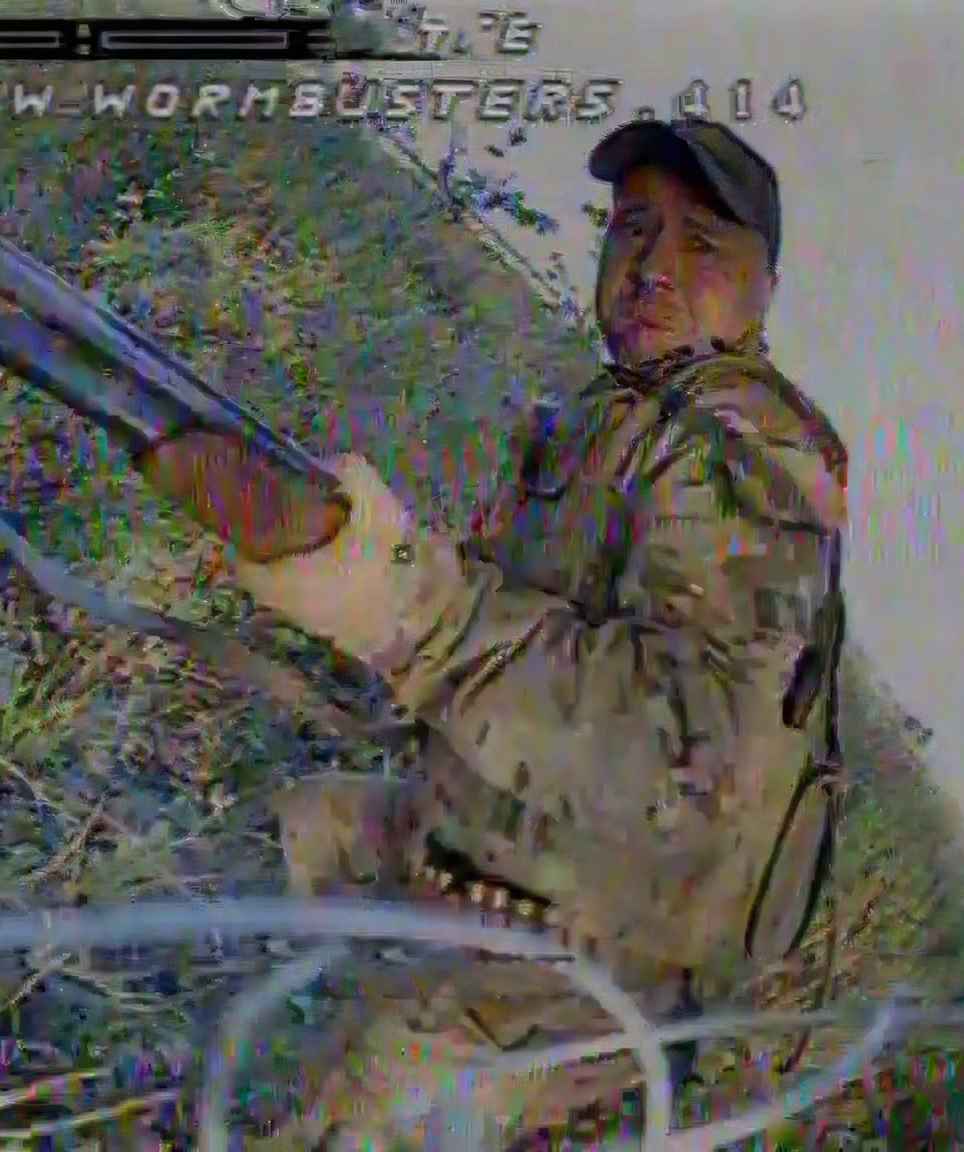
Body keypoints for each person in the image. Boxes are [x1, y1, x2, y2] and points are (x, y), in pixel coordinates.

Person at [134, 117, 850, 1147]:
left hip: (597, 954)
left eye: (702, 245)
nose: (653, 266)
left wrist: (393, 597)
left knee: (365, 1092)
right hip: (505, 853)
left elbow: (686, 756)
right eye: (633, 229)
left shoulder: (744, 445)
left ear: (763, 290)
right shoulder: (622, 415)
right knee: (260, 848)